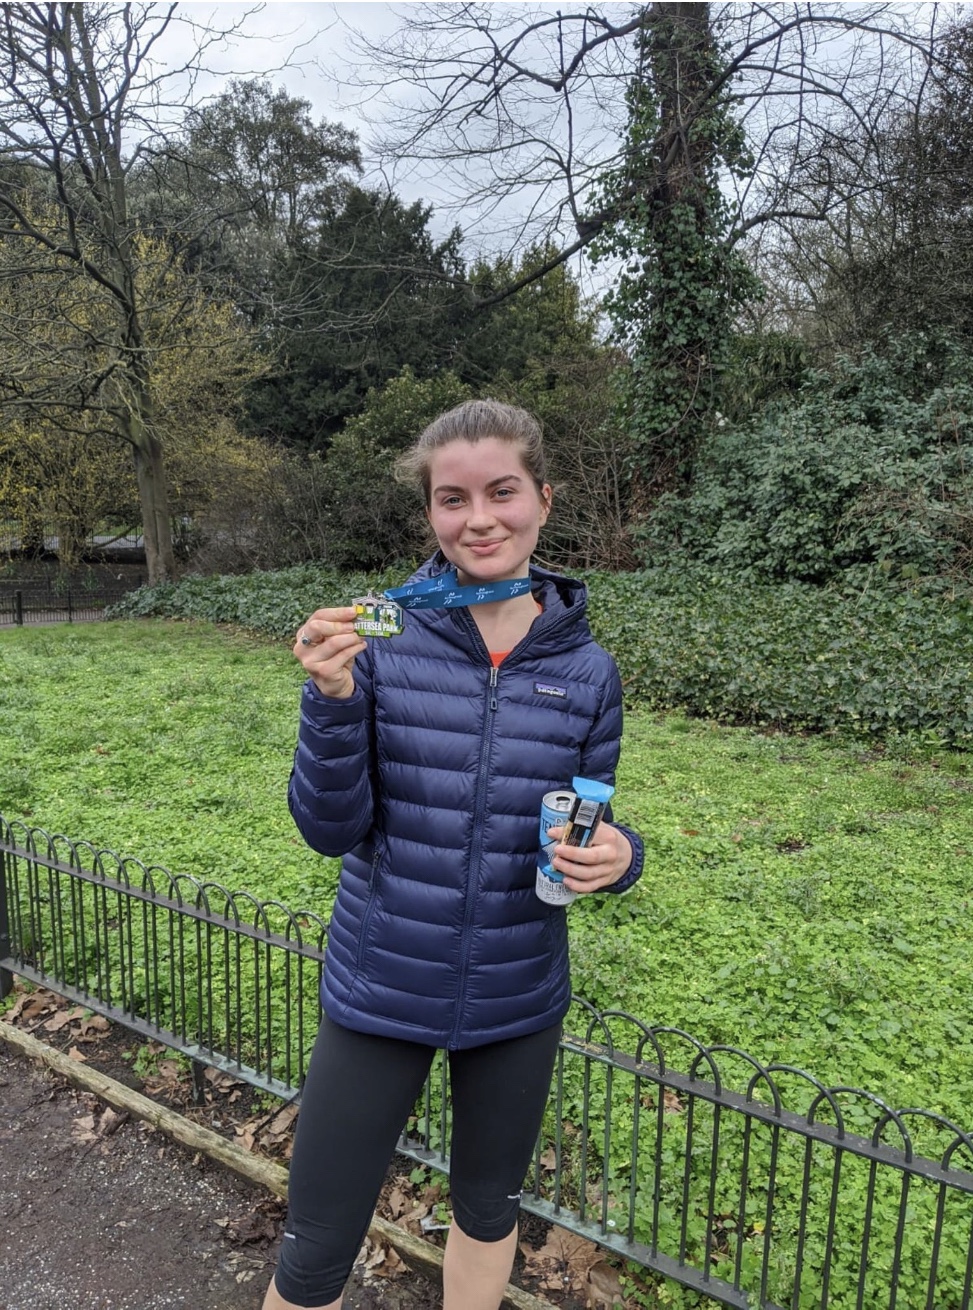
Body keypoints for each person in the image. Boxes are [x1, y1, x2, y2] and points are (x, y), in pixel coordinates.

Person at [262, 399, 644, 1310]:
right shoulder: (382, 640)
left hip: (517, 994)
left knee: (486, 1211)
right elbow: (329, 830)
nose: (479, 519)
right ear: (429, 511)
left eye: (501, 492)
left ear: (543, 499)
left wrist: (618, 857)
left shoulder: (588, 672)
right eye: (452, 498)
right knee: (316, 1242)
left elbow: (586, 819)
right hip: (381, 985)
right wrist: (332, 699)